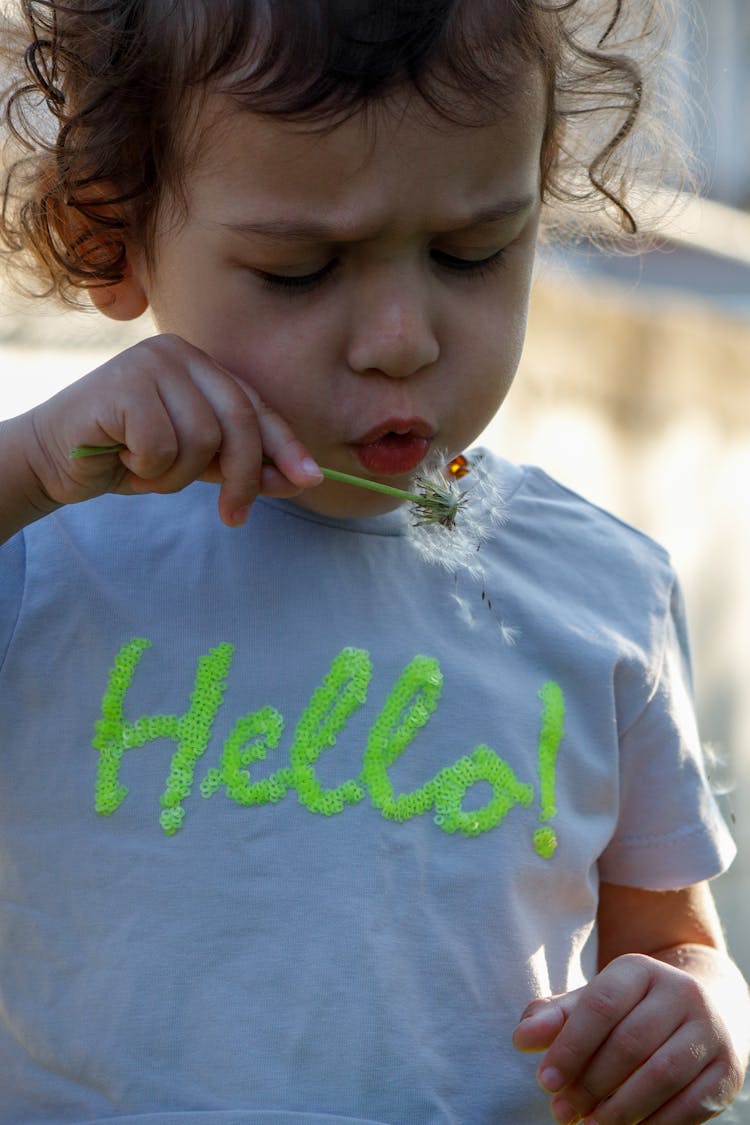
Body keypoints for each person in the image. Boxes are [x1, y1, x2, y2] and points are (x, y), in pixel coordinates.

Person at [0, 1, 747, 1121]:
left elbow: (674, 936)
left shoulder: (603, 588)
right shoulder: (50, 543)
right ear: (115, 232)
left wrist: (696, 1011)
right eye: (301, 269)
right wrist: (34, 465)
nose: (403, 338)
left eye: (472, 253)